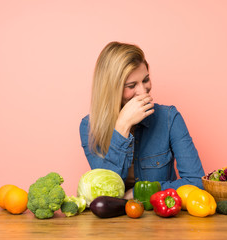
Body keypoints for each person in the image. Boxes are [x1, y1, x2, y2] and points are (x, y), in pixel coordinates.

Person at [79, 41, 205, 199]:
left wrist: (141, 192)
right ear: (111, 89)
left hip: (159, 217)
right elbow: (104, 193)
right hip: (113, 220)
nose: (143, 91)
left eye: (146, 80)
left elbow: (196, 182)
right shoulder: (89, 127)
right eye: (131, 85)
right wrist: (122, 126)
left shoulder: (169, 118)